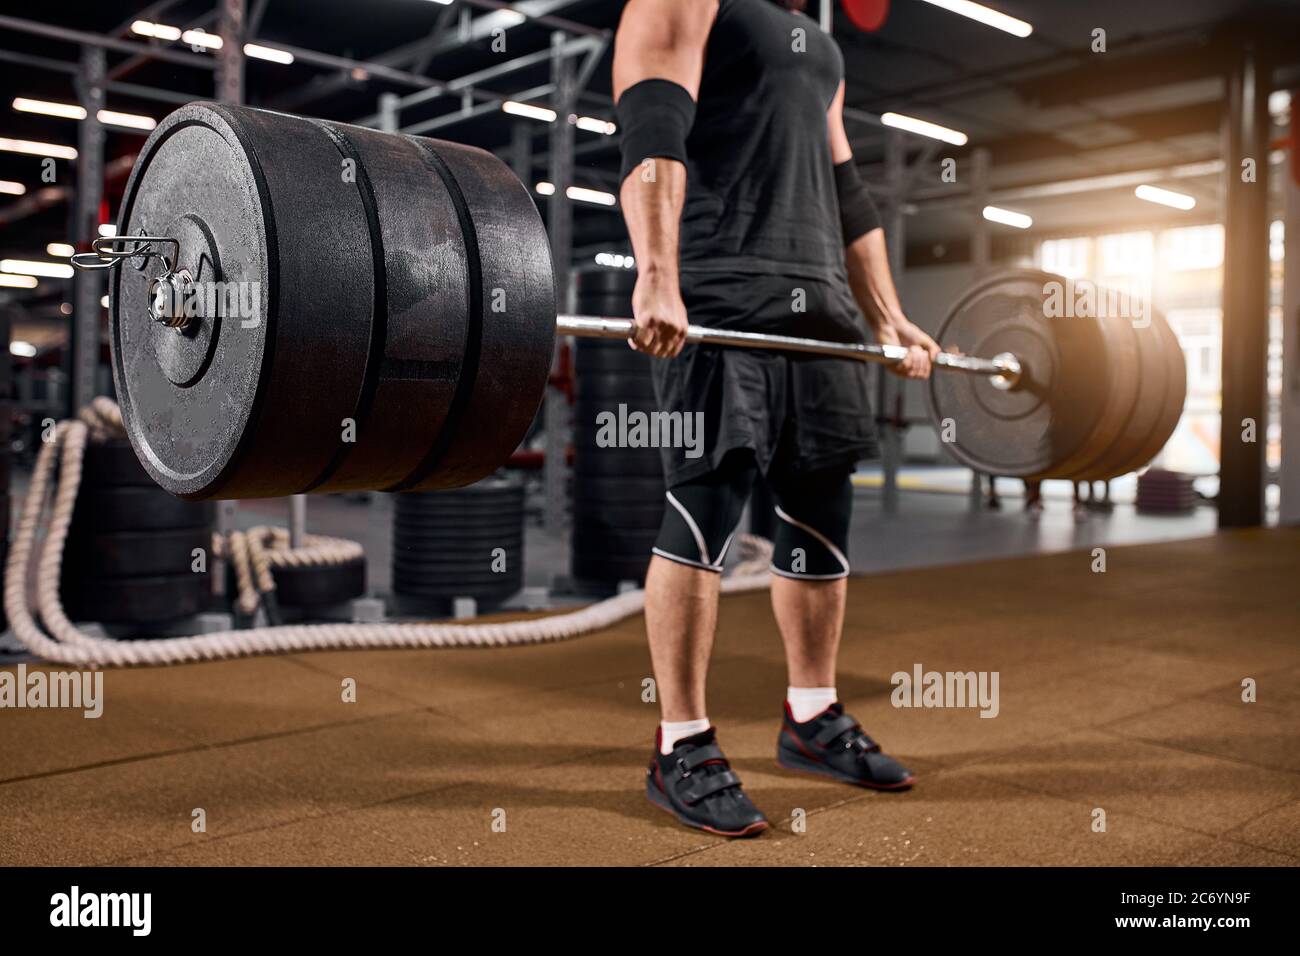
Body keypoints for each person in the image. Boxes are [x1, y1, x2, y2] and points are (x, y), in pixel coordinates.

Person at [613, 0, 940, 837]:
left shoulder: (817, 39)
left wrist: (888, 316)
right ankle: (679, 742)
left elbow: (846, 189)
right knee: (707, 502)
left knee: (821, 508)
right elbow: (653, 121)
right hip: (719, 289)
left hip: (820, 303)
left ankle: (812, 716)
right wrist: (657, 271)